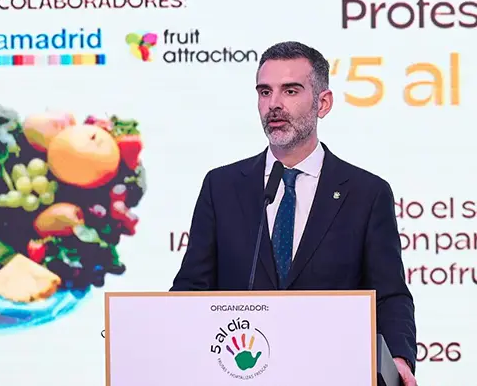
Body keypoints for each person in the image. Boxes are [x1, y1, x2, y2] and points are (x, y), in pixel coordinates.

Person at [170, 41, 418, 385]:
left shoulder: (366, 193)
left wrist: (398, 357)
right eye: (265, 92)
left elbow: (388, 294)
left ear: (323, 103)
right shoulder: (222, 186)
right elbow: (192, 288)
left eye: (290, 91)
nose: (274, 104)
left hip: (331, 373)